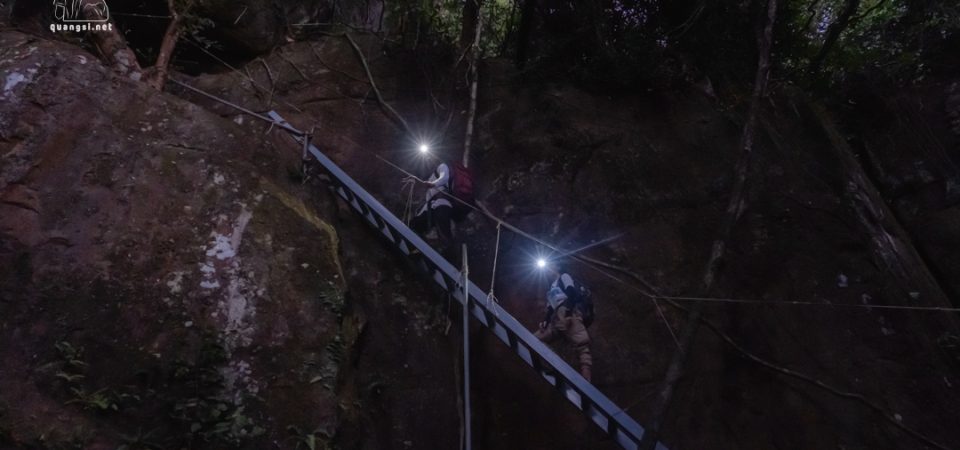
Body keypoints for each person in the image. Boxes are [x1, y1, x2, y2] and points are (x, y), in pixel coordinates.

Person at [534, 262, 592, 382]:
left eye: (550, 266)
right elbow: (550, 308)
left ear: (557, 267)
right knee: (535, 339)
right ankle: (553, 364)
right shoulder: (551, 286)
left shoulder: (564, 277)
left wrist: (568, 313)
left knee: (581, 343)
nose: (547, 270)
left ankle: (586, 376)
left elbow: (571, 293)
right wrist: (545, 321)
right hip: (556, 318)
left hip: (567, 313)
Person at [410, 162, 454, 249]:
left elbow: (444, 177)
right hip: (433, 207)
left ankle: (448, 259)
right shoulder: (431, 176)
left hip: (442, 205)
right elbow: (429, 199)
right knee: (414, 225)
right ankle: (417, 249)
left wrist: (433, 184)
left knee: (444, 236)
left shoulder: (442, 166)